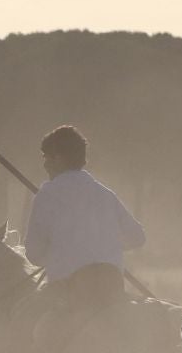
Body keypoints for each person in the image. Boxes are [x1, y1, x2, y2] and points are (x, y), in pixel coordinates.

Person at [23, 125, 145, 337]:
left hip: (70, 290)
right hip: (113, 286)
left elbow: (33, 254)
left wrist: (58, 254)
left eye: (46, 157)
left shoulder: (47, 194)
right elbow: (138, 237)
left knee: (22, 319)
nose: (44, 164)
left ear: (58, 158)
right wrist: (105, 244)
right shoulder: (105, 193)